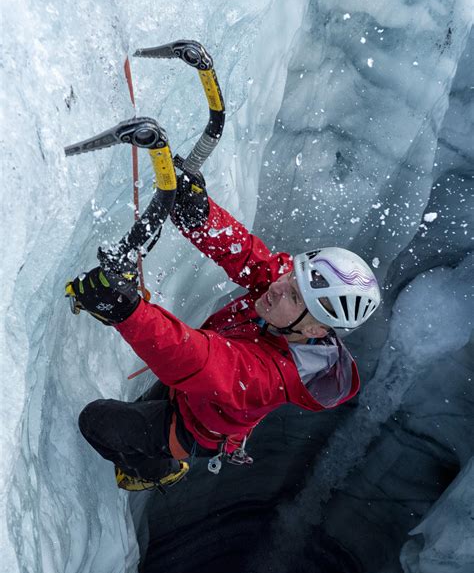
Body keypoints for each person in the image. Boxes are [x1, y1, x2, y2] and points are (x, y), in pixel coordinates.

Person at [70, 173, 381, 491]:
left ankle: (157, 470)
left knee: (97, 422)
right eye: (291, 275)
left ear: (315, 327)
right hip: (195, 393)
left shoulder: (266, 378)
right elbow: (248, 257)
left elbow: (198, 360)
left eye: (294, 295)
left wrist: (126, 310)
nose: (278, 285)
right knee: (143, 407)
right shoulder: (291, 307)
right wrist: (200, 216)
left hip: (194, 427)